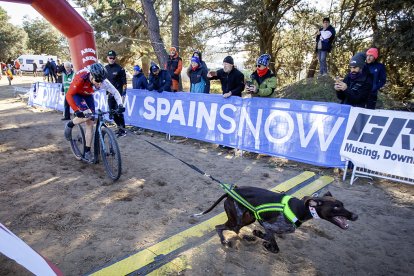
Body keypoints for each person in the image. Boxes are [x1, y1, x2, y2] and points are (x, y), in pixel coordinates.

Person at [64, 63, 124, 162]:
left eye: (101, 81)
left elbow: (115, 92)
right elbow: (69, 95)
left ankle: (87, 151)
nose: (99, 84)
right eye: (97, 81)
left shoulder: (102, 80)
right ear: (91, 75)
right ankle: (70, 124)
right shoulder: (81, 78)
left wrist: (121, 105)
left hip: (88, 94)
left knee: (90, 123)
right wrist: (76, 110)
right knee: (87, 115)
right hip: (77, 94)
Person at [105, 50, 127, 137]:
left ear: (115, 58)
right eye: (110, 58)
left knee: (119, 112)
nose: (112, 59)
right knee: (112, 113)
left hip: (118, 94)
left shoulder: (120, 69)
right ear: (107, 58)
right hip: (110, 94)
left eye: (113, 58)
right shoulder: (105, 68)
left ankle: (123, 130)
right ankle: (119, 127)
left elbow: (124, 83)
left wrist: (123, 94)